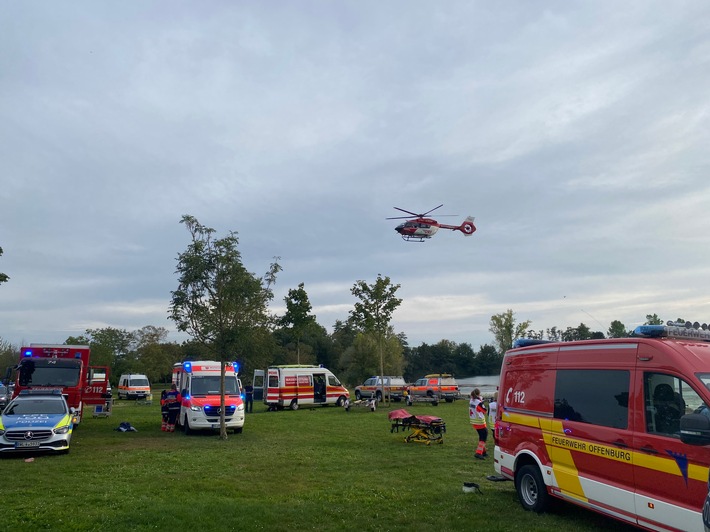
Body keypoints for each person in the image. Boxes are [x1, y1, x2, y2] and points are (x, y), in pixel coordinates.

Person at [470, 388, 488, 460]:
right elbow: (484, 410)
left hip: (474, 421)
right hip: (479, 422)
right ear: (478, 394)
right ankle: (478, 452)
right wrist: (481, 401)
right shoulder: (478, 402)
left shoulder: (471, 401)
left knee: (481, 436)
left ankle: (484, 452)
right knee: (484, 437)